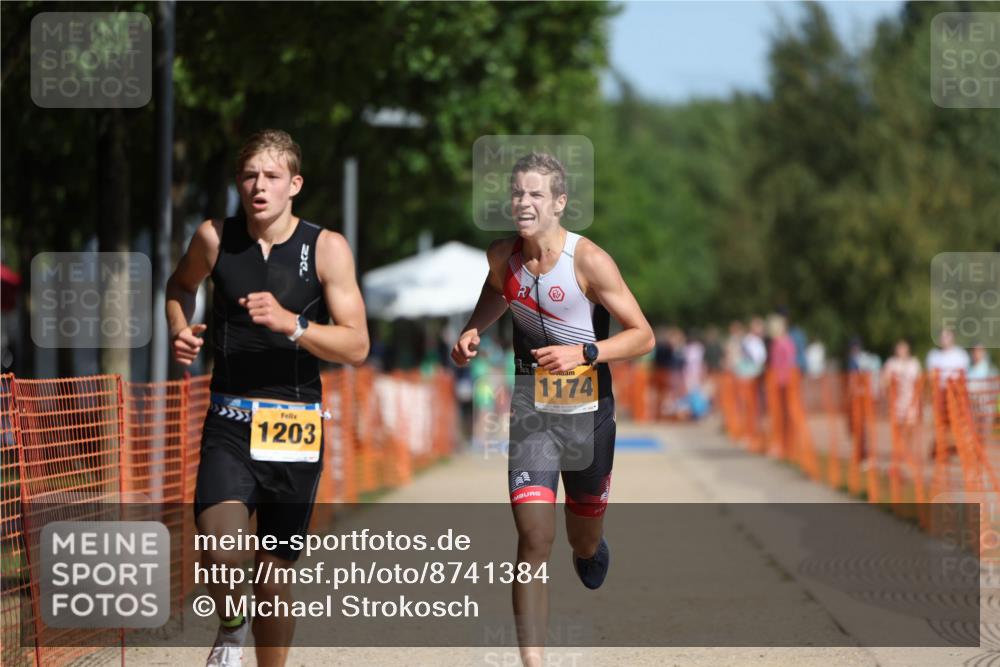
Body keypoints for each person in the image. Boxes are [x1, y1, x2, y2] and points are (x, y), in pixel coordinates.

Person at [166, 129, 369, 667]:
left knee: (274, 585)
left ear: (293, 185)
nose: (259, 186)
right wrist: (180, 328)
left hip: (294, 430)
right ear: (239, 182)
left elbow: (356, 343)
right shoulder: (214, 237)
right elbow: (179, 286)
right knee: (219, 548)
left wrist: (294, 326)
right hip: (229, 423)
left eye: (272, 176)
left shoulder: (325, 247)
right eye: (250, 175)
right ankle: (231, 628)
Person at [450, 153, 654, 667]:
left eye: (536, 194)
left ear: (560, 203)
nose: (524, 202)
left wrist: (584, 353)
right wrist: (475, 328)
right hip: (533, 413)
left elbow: (642, 336)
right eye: (518, 193)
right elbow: (497, 293)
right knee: (533, 538)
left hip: (589, 413)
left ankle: (589, 549)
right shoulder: (503, 256)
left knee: (580, 541)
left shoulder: (588, 261)